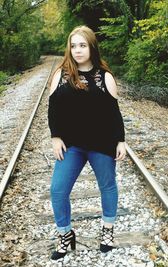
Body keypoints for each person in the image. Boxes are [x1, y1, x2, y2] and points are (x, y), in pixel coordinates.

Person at [48, 25, 126, 262]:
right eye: (73, 46)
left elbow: (114, 113)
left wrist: (120, 141)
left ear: (92, 47)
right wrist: (55, 136)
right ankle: (65, 234)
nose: (77, 50)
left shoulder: (105, 77)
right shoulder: (61, 74)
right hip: (72, 145)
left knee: (107, 186)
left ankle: (107, 232)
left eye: (82, 45)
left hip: (102, 143)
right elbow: (53, 109)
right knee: (58, 190)